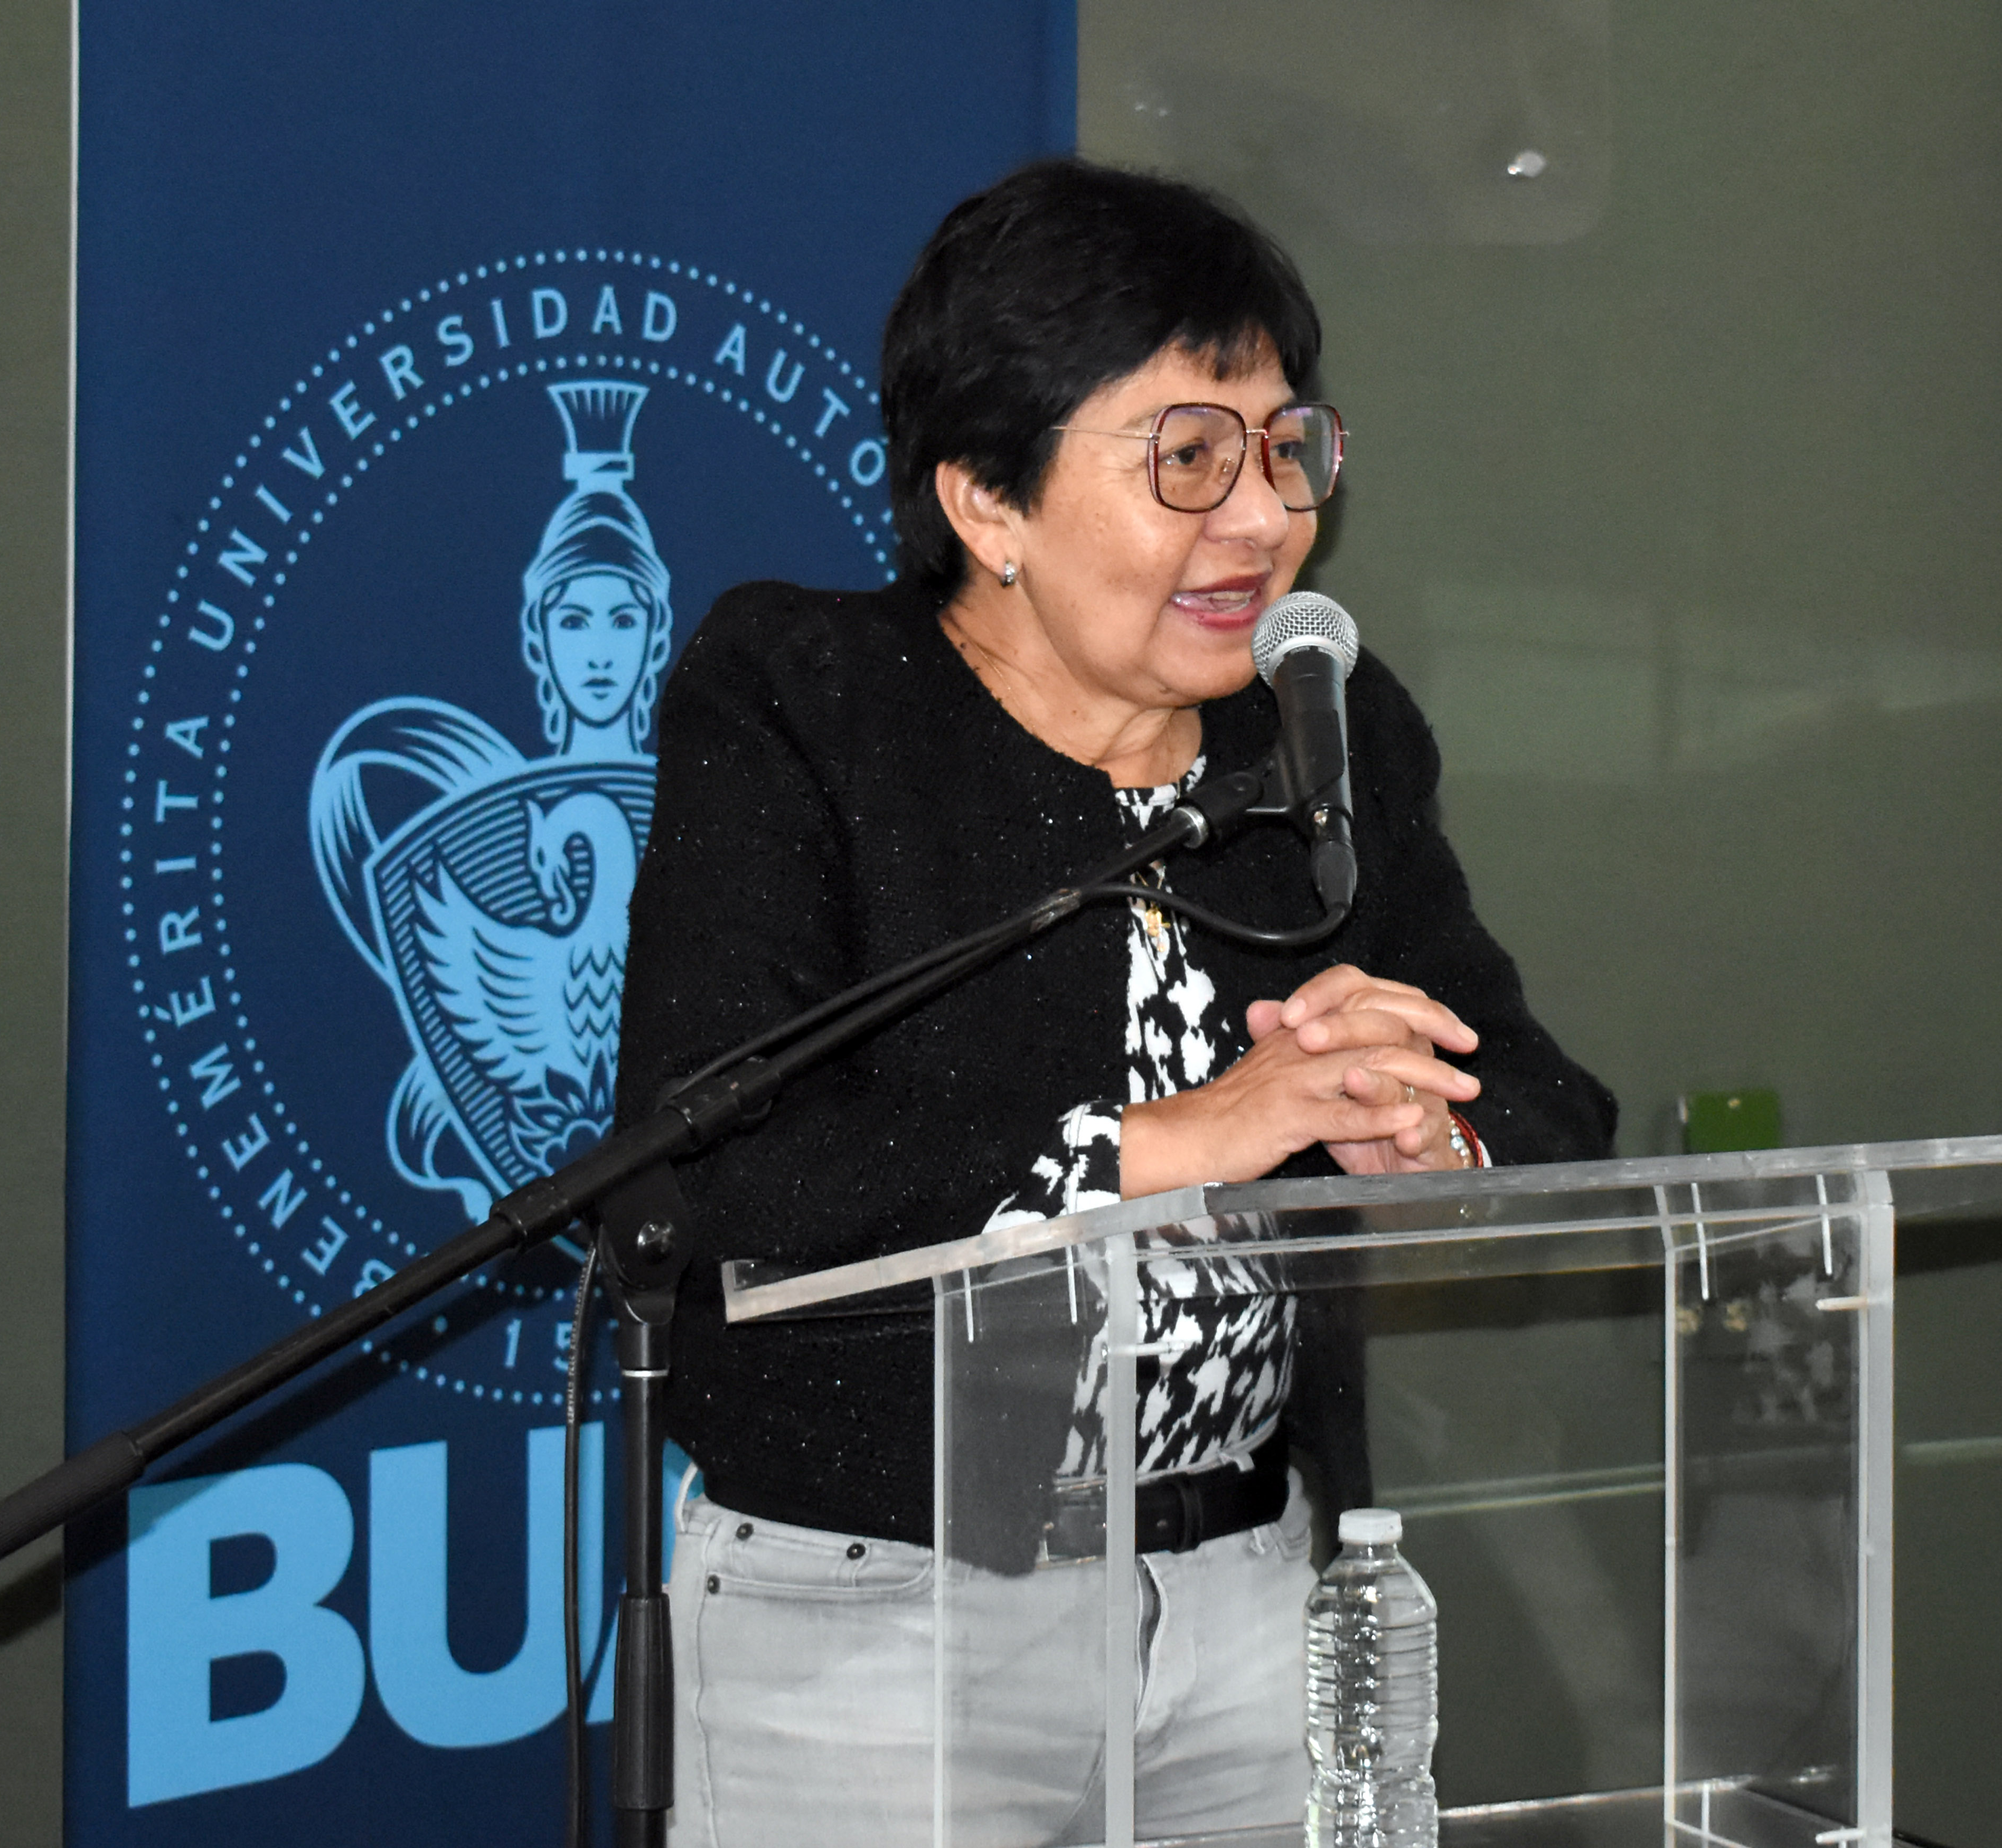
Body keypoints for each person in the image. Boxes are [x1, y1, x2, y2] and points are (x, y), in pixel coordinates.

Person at [613, 158, 1616, 1847]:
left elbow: (1545, 1106)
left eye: (1284, 448)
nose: (1262, 518)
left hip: (1254, 1592)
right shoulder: (814, 701)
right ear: (987, 503)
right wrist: (1182, 1138)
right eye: (1187, 458)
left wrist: (1423, 1140)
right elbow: (718, 1171)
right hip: (880, 1615)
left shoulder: (1320, 723)